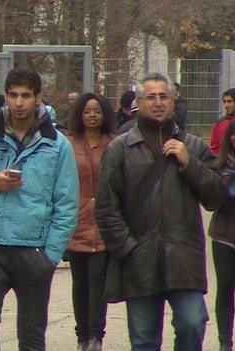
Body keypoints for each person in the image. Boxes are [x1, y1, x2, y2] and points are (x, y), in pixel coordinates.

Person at [95, 73, 225, 351]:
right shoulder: (120, 149)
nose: (157, 102)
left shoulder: (193, 146)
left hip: (184, 259)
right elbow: (106, 208)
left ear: (174, 101)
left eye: (163, 96)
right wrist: (128, 248)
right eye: (150, 97)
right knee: (144, 339)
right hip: (139, 259)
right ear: (138, 103)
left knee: (193, 322)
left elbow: (215, 197)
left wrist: (190, 163)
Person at [0, 67, 79, 350]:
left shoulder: (57, 145)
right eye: (13, 95)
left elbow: (67, 203)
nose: (19, 102)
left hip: (34, 250)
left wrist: (50, 255)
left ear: (38, 97)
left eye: (26, 95)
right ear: (6, 97)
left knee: (31, 334)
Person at [65, 93, 117, 351]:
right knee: (80, 282)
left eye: (97, 110)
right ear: (80, 114)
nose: (92, 115)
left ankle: (96, 336)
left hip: (105, 222)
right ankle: (82, 336)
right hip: (77, 220)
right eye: (87, 111)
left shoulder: (115, 144)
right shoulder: (68, 143)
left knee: (99, 280)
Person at [208, 120, 235, 351]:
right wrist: (222, 185)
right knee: (225, 286)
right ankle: (224, 341)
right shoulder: (220, 165)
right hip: (225, 234)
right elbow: (210, 202)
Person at [210, 88, 235, 154]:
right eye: (224, 101)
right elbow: (215, 149)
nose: (226, 105)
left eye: (229, 101)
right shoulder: (219, 124)